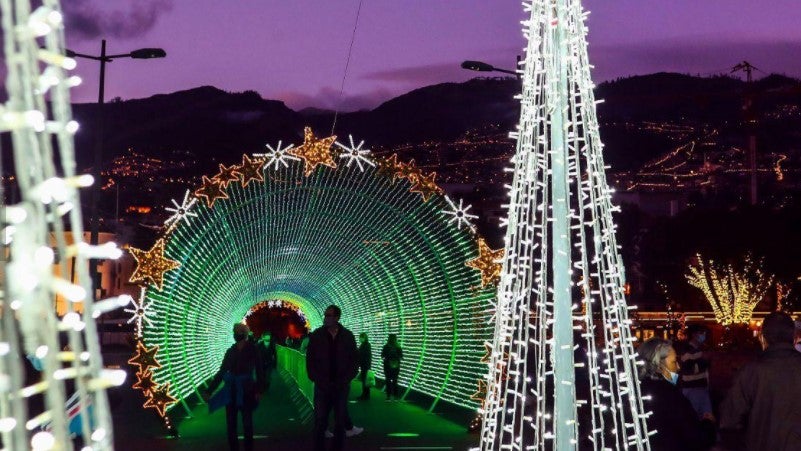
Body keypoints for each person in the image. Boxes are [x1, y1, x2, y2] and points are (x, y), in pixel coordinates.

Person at [719, 312, 801, 451]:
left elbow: (729, 421)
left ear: (763, 338)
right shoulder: (752, 372)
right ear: (794, 337)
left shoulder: (750, 372)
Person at [636, 338, 711, 451]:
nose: (678, 367)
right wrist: (708, 424)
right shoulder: (670, 396)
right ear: (659, 365)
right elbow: (695, 437)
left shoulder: (634, 392)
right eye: (674, 362)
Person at [306, 305, 359, 451]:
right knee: (320, 422)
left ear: (337, 317)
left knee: (340, 423)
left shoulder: (347, 336)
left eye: (329, 315)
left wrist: (346, 379)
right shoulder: (317, 335)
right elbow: (310, 360)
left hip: (341, 386)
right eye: (325, 315)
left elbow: (354, 361)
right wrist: (315, 378)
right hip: (322, 386)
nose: (326, 318)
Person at [205, 323, 265, 451]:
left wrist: (259, 389)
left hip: (247, 390)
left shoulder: (253, 349)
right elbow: (222, 372)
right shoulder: (230, 351)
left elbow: (260, 370)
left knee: (247, 423)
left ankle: (248, 448)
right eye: (234, 331)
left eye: (238, 331)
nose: (236, 333)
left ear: (244, 333)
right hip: (231, 390)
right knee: (231, 424)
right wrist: (209, 390)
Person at [678, 324, 714, 419]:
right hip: (692, 388)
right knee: (695, 417)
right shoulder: (687, 350)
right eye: (701, 333)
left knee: (706, 417)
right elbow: (688, 369)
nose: (704, 336)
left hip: (701, 387)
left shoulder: (701, 349)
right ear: (694, 335)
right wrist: (704, 361)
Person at [381, 334, 403, 401]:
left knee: (388, 380)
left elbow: (382, 355)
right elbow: (401, 356)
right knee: (395, 380)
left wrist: (386, 358)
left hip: (387, 365)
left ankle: (388, 396)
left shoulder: (386, 346)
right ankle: (395, 396)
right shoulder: (398, 347)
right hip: (396, 365)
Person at [357, 333, 372, 401]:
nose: (359, 339)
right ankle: (365, 394)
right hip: (366, 365)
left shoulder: (365, 345)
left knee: (364, 380)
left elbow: (362, 355)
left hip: (365, 366)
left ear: (364, 338)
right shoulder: (366, 345)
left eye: (360, 337)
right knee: (365, 380)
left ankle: (365, 395)